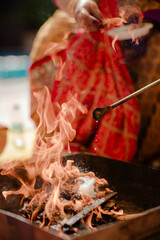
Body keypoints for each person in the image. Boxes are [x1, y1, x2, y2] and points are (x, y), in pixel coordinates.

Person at [29, 0, 140, 162]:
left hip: (145, 21)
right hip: (84, 13)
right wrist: (77, 5)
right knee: (53, 43)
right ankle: (61, 153)